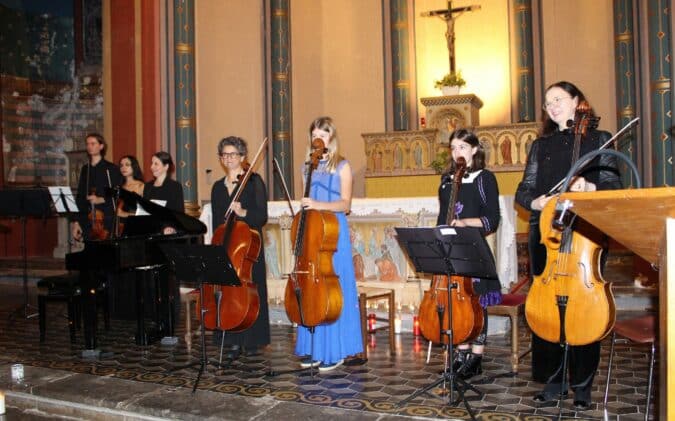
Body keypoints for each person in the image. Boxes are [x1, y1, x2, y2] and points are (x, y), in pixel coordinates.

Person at [515, 81, 621, 410]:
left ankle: (583, 384)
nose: (553, 106)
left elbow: (614, 185)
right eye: (548, 103)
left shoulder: (599, 140)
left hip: (585, 235)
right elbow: (523, 191)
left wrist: (589, 185)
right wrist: (538, 202)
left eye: (559, 99)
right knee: (546, 307)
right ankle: (553, 380)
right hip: (545, 232)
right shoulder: (541, 146)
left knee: (583, 307)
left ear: (578, 101)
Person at [294, 116, 363, 372]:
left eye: (323, 133)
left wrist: (318, 205)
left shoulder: (342, 166)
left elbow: (346, 205)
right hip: (313, 233)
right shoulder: (306, 168)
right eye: (314, 133)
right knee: (313, 288)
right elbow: (306, 203)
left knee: (334, 289)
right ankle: (314, 349)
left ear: (331, 137)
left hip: (334, 234)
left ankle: (337, 350)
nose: (318, 137)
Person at [436, 129, 501, 379]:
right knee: (456, 302)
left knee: (476, 301)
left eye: (462, 147)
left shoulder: (484, 178)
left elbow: (491, 220)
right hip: (452, 250)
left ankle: (476, 356)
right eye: (453, 148)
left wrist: (465, 223)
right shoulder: (446, 180)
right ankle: (461, 353)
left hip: (473, 247)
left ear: (474, 149)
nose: (457, 152)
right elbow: (443, 216)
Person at [211, 136, 270, 356]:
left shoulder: (254, 181)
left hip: (248, 248)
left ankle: (252, 339)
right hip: (227, 246)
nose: (228, 158)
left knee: (251, 290)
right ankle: (231, 336)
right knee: (228, 292)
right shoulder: (218, 187)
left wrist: (243, 212)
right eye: (224, 155)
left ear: (243, 157)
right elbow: (218, 220)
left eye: (233, 154)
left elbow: (261, 216)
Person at [71, 133, 122, 242]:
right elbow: (80, 196)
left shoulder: (111, 168)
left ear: (101, 146)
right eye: (88, 144)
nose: (89, 146)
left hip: (106, 219)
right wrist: (76, 222)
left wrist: (101, 199)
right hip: (87, 220)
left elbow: (118, 194)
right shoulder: (85, 169)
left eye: (93, 143)